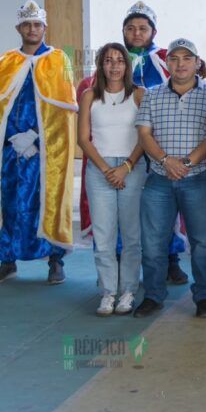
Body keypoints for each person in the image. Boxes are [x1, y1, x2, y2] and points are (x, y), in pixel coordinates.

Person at [78, 1, 189, 286]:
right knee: (118, 216)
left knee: (160, 208)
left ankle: (169, 259)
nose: (136, 33)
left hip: (159, 148)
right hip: (117, 154)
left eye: (142, 28)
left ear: (153, 31)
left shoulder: (166, 61)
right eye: (131, 28)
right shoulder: (111, 65)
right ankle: (115, 268)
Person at [0, 0, 77, 286]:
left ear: (45, 28)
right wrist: (14, 138)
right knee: (9, 199)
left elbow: (63, 109)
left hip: (47, 149)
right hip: (11, 148)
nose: (32, 29)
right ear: (19, 28)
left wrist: (35, 137)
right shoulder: (5, 61)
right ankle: (7, 260)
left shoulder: (60, 59)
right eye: (27, 24)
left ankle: (55, 261)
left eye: (37, 24)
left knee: (47, 200)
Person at [132, 38, 206, 319]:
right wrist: (166, 161)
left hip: (197, 178)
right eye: (175, 59)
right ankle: (154, 296)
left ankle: (204, 296)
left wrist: (188, 162)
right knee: (153, 242)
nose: (180, 64)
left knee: (202, 242)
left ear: (197, 62)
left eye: (186, 58)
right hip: (159, 179)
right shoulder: (152, 95)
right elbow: (144, 134)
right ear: (167, 63)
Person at [77, 43, 146, 316]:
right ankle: (108, 292)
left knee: (131, 235)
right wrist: (107, 169)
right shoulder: (89, 95)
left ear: (127, 66)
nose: (114, 66)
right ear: (100, 65)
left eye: (119, 60)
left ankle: (128, 290)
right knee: (104, 235)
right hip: (99, 168)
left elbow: (145, 136)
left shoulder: (139, 95)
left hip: (133, 167)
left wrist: (126, 166)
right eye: (108, 60)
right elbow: (83, 139)